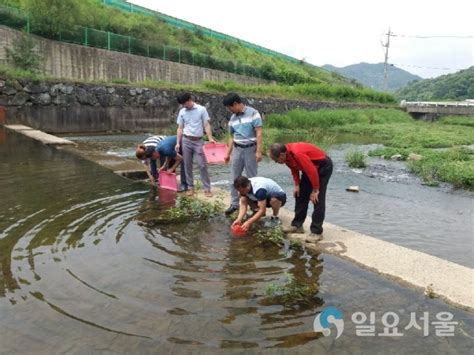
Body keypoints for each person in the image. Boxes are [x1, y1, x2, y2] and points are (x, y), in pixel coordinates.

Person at [269, 142, 333, 240]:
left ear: (282, 155)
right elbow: (293, 168)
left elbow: (312, 171)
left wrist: (315, 190)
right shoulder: (286, 154)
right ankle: (297, 225)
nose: (276, 162)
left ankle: (317, 232)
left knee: (317, 199)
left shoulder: (298, 153)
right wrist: (297, 184)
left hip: (322, 167)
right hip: (309, 169)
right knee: (300, 195)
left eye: (276, 159)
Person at [222, 93, 263, 215]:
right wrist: (227, 153)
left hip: (251, 149)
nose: (230, 110)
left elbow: (259, 133)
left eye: (230, 107)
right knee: (234, 178)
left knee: (252, 178)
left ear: (235, 104)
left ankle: (254, 205)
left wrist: (258, 151)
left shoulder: (253, 113)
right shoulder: (233, 118)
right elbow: (231, 137)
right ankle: (234, 204)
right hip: (237, 149)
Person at [175, 92, 216, 197]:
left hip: (198, 141)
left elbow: (206, 125)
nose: (184, 105)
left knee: (202, 165)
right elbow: (180, 128)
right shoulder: (182, 112)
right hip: (186, 140)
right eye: (182, 104)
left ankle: (207, 189)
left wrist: (210, 138)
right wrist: (178, 143)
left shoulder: (201, 109)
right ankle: (190, 187)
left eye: (185, 103)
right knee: (187, 165)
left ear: (190, 99)